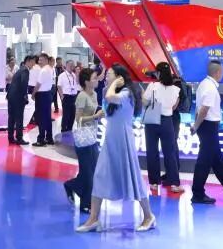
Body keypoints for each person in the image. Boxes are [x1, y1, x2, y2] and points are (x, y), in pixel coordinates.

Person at [76, 65, 156, 233]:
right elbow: (108, 101)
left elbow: (110, 97)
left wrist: (114, 84)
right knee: (99, 176)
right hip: (110, 141)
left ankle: (149, 216)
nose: (105, 77)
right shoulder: (114, 92)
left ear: (119, 77)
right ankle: (93, 218)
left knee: (134, 179)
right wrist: (111, 85)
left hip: (123, 141)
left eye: (109, 74)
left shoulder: (127, 93)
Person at [191, 60, 223, 204]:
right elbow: (204, 110)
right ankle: (197, 193)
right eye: (222, 71)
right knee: (204, 161)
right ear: (218, 72)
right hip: (208, 126)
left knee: (217, 160)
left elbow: (199, 109)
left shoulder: (204, 84)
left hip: (207, 126)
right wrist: (196, 126)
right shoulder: (210, 88)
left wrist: (196, 125)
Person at [64, 68, 103, 213]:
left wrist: (99, 115)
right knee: (88, 172)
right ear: (86, 82)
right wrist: (95, 116)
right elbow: (78, 119)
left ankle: (72, 185)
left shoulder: (95, 94)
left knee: (91, 169)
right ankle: (86, 203)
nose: (97, 80)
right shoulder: (81, 96)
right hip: (82, 137)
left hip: (92, 135)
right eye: (94, 78)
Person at [143, 62, 182, 194]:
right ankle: (174, 183)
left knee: (152, 151)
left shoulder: (153, 86)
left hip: (152, 120)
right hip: (167, 121)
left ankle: (154, 183)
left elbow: (144, 101)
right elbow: (174, 106)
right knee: (170, 152)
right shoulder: (176, 89)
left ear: (158, 73)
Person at [7, 56, 35, 145]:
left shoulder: (20, 70)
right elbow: (24, 84)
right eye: (33, 62)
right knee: (19, 118)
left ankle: (10, 137)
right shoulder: (25, 70)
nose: (33, 65)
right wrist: (25, 96)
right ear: (28, 61)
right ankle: (19, 138)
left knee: (11, 118)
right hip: (18, 98)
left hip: (11, 96)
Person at [33, 53, 55, 146]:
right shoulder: (50, 69)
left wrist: (33, 94)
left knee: (41, 117)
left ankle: (41, 139)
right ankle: (49, 138)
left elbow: (38, 84)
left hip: (41, 95)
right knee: (47, 117)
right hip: (47, 94)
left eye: (41, 60)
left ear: (46, 60)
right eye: (39, 60)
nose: (39, 62)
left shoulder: (43, 70)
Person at [59, 59, 80, 133]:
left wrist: (77, 74)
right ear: (66, 66)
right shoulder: (62, 75)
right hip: (66, 97)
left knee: (72, 114)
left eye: (73, 65)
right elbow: (59, 86)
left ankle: (69, 129)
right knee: (66, 115)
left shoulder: (74, 75)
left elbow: (77, 82)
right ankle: (63, 130)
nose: (71, 67)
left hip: (73, 97)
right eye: (70, 65)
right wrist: (62, 96)